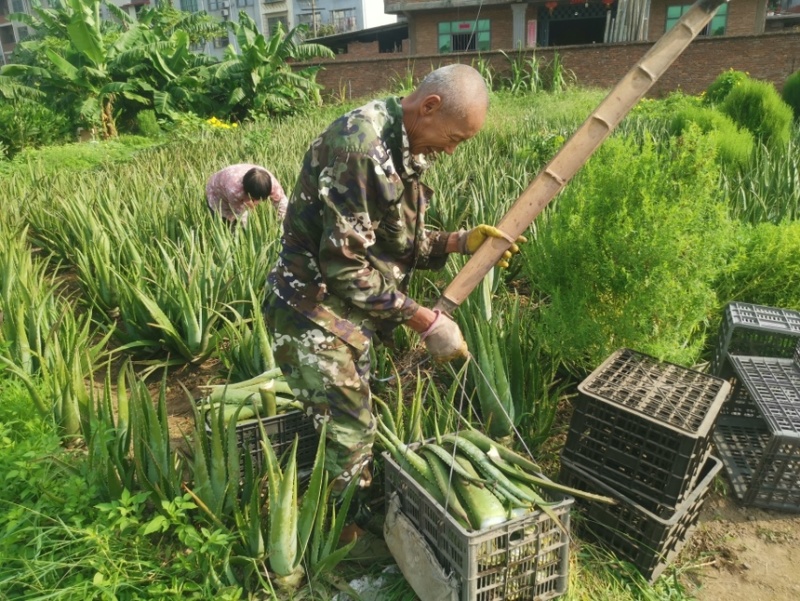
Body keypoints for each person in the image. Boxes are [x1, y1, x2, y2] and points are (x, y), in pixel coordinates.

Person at [263, 64, 522, 539]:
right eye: (455, 138)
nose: (451, 150)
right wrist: (424, 320)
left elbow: (402, 244)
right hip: (311, 311)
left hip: (348, 314)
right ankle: (339, 536)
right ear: (429, 107)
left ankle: (344, 508)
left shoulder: (407, 149)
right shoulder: (360, 148)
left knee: (350, 421)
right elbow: (344, 266)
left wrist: (463, 242)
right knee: (350, 433)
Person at [206, 164, 288, 227]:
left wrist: (282, 225)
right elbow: (240, 215)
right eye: (253, 199)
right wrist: (250, 232)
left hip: (233, 179)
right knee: (228, 222)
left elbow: (282, 203)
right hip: (217, 192)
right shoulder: (234, 190)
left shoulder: (271, 184)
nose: (256, 203)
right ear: (246, 193)